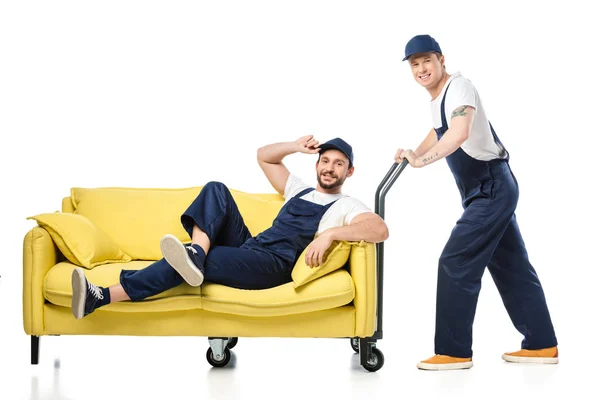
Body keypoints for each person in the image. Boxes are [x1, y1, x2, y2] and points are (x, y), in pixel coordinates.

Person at [71, 136, 389, 320]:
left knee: (189, 260)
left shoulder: (347, 205)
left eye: (338, 163)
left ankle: (101, 296)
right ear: (316, 164)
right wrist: (294, 145)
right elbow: (264, 157)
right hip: (252, 249)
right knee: (216, 188)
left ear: (350, 171)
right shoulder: (299, 189)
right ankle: (196, 252)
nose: (330, 168)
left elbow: (379, 229)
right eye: (325, 160)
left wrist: (332, 233)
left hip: (273, 266)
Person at [395, 34, 558, 370]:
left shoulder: (459, 87)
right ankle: (542, 344)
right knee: (512, 267)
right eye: (415, 64)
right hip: (484, 191)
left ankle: (453, 352)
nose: (422, 68)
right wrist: (413, 152)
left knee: (455, 260)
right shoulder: (439, 98)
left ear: (441, 59)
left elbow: (459, 133)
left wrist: (422, 163)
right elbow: (439, 131)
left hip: (491, 188)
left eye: (427, 60)